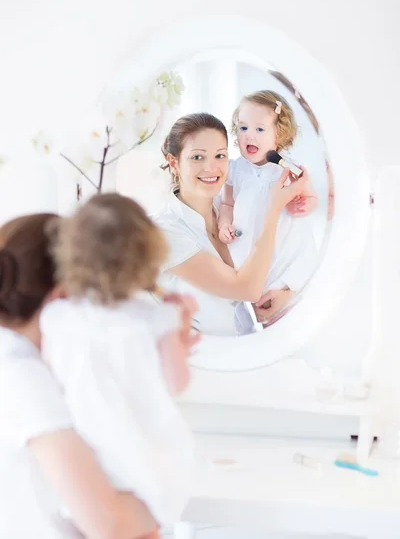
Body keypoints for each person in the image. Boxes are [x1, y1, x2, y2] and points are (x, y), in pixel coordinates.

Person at [40, 193, 197, 531]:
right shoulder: (154, 318)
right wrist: (179, 328)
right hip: (143, 448)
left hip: (83, 455)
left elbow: (51, 379)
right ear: (148, 253)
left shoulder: (56, 317)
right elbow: (177, 382)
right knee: (145, 524)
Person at [0, 212, 161, 539]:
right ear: (62, 299)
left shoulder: (25, 361)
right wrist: (164, 498)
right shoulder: (21, 379)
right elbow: (110, 524)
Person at [154, 112, 309, 336]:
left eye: (220, 155)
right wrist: (273, 209)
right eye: (197, 157)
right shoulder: (164, 232)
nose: (211, 168)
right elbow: (246, 288)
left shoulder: (234, 208)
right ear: (174, 163)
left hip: (247, 346)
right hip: (201, 360)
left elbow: (287, 252)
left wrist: (285, 291)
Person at [217, 91, 319, 325]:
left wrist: (303, 204)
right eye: (243, 128)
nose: (249, 136)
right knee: (251, 295)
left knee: (283, 303)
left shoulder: (287, 169)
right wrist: (224, 222)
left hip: (280, 244)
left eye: (260, 129)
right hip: (249, 245)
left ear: (279, 135)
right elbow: (227, 202)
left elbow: (312, 197)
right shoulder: (235, 169)